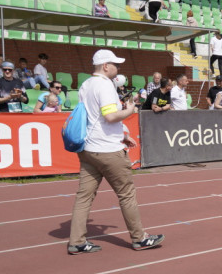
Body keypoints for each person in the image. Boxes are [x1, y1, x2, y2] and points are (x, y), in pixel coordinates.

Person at [68, 49, 163, 254]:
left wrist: (121, 134)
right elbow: (110, 117)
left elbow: (95, 119)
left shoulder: (86, 84)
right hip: (108, 150)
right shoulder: (105, 85)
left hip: (88, 148)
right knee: (127, 194)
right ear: (105, 66)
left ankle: (76, 241)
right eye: (116, 64)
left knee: (84, 197)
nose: (118, 68)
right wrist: (130, 110)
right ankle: (139, 238)